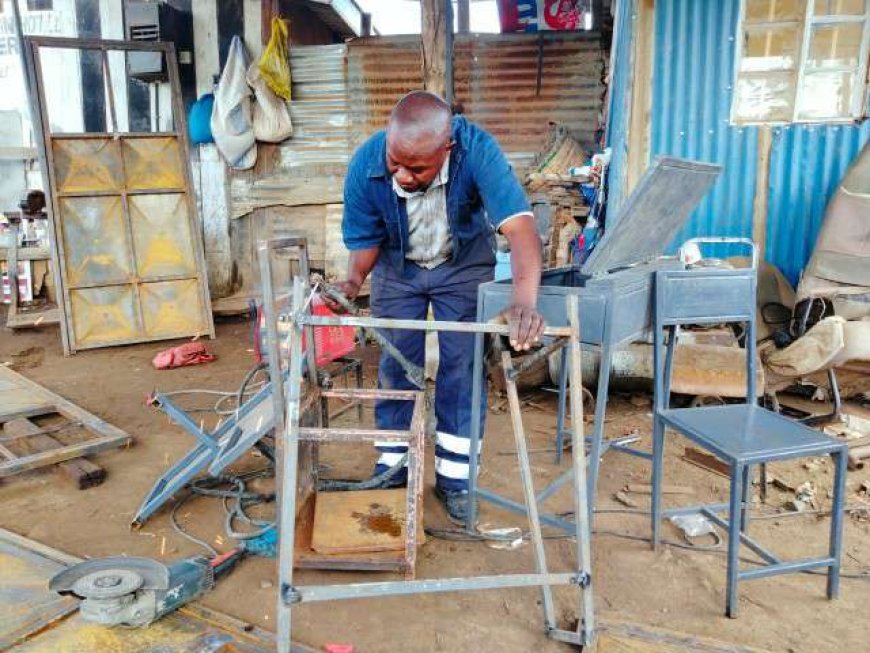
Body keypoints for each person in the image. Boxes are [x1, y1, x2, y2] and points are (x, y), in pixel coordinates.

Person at [328, 91, 544, 524]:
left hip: (462, 267)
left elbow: (520, 230)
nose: (404, 176)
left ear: (447, 148)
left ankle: (456, 479)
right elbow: (366, 240)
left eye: (418, 167)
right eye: (397, 162)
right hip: (397, 270)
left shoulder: (477, 150)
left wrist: (524, 302)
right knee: (396, 366)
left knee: (461, 370)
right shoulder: (367, 163)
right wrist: (352, 281)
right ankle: (392, 469)